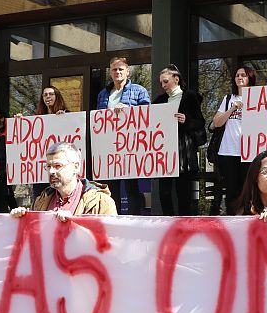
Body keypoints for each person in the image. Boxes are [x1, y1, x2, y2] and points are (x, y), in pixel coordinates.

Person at [96, 56, 151, 215]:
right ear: (110, 73)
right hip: (109, 146)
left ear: (127, 71)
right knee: (111, 188)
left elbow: (147, 114)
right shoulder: (103, 94)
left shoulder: (139, 90)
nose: (117, 72)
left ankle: (133, 221)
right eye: (114, 69)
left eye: (121, 69)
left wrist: (128, 109)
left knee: (131, 186)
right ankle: (114, 219)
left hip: (130, 145)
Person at [10, 142, 116, 219]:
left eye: (58, 166)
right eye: (48, 166)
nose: (51, 171)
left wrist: (74, 223)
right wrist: (21, 219)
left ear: (76, 167)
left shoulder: (101, 202)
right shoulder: (40, 201)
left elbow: (109, 239)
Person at [152, 64, 205, 215]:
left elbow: (200, 122)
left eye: (166, 81)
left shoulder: (189, 97)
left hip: (183, 151)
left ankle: (184, 223)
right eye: (161, 83)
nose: (163, 85)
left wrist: (186, 120)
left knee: (183, 191)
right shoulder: (159, 100)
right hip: (164, 150)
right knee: (164, 191)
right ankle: (168, 222)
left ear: (176, 79)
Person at [211, 65, 256, 215]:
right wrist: (232, 109)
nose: (239, 77)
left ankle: (247, 220)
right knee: (231, 191)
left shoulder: (258, 98)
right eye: (237, 75)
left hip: (249, 153)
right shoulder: (228, 99)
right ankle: (232, 220)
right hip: (228, 151)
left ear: (250, 78)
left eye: (243, 75)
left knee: (248, 191)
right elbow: (217, 122)